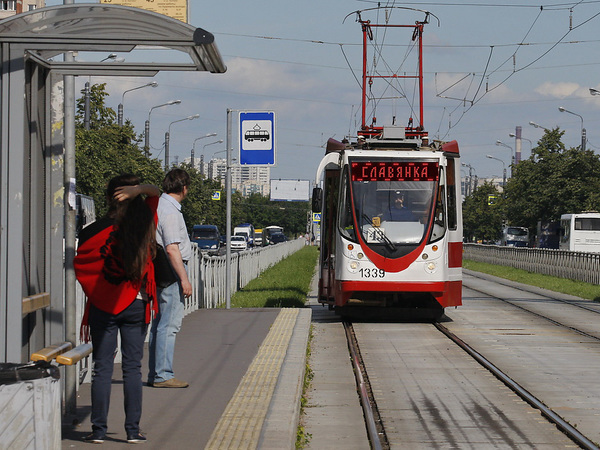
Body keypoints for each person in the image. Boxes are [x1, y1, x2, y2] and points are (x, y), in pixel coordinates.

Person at [74, 174, 160, 444]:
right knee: (132, 369)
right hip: (136, 303)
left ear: (109, 197)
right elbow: (156, 192)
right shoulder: (145, 224)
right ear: (134, 196)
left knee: (102, 368)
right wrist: (139, 190)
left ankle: (98, 431)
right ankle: (133, 432)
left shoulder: (93, 231)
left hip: (103, 306)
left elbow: (81, 266)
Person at [147, 168, 192, 389]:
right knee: (169, 324)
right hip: (171, 269)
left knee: (160, 323)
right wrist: (184, 279)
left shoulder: (158, 205)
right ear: (184, 188)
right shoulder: (172, 212)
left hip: (159, 268)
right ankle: (163, 374)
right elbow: (173, 249)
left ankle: (155, 372)